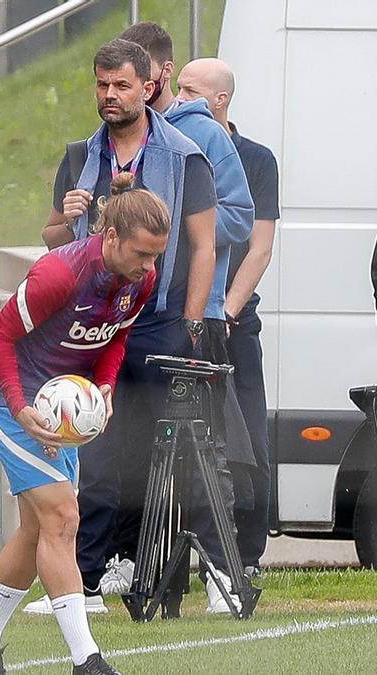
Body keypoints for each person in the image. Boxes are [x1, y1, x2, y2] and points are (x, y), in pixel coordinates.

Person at [34, 38, 217, 614]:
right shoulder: (79, 155)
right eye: (101, 85)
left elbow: (204, 246)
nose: (109, 96)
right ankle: (86, 581)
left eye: (121, 85)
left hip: (160, 318)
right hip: (96, 318)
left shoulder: (185, 155)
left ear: (148, 87)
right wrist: (65, 221)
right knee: (99, 449)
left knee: (157, 453)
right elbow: (55, 242)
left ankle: (151, 574)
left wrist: (191, 323)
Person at [0, 173, 166, 675]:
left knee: (37, 530)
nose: (150, 267)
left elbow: (115, 336)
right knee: (63, 519)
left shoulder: (142, 279)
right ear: (110, 237)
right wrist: (19, 407)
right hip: (18, 407)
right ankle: (86, 659)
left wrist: (107, 387)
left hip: (66, 412)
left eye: (157, 256)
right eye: (142, 254)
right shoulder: (59, 274)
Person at [117, 22, 254, 611]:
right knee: (135, 455)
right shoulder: (117, 140)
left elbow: (240, 220)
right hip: (134, 317)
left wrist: (177, 226)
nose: (121, 93)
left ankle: (223, 575)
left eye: (131, 79)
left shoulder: (201, 138)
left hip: (194, 320)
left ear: (158, 74)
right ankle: (149, 580)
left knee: (205, 451)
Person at [177, 56, 279, 575]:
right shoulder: (173, 147)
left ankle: (249, 555)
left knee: (248, 443)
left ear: (219, 99)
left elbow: (257, 246)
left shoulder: (255, 159)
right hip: (196, 313)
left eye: (189, 89)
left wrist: (228, 308)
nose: (177, 97)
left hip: (233, 318)